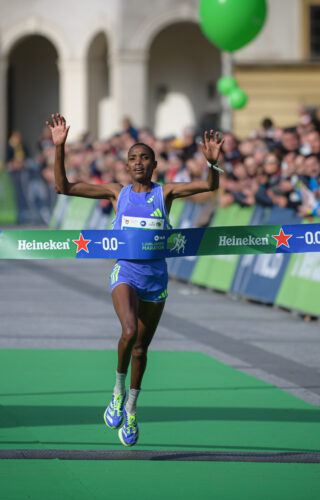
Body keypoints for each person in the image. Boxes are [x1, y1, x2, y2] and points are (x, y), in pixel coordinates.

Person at [48, 113, 222, 447]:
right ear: (127, 166)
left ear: (154, 164)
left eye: (144, 157)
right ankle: (116, 390)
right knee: (128, 332)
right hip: (125, 274)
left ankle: (130, 407)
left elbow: (209, 186)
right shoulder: (117, 193)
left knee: (141, 349)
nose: (138, 162)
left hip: (156, 281)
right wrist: (60, 146)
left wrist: (212, 163)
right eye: (132, 158)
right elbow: (63, 187)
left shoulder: (165, 194)